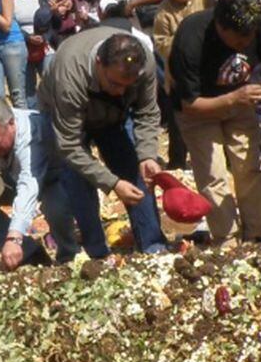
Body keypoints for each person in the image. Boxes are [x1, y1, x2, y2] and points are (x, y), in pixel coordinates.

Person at [167, 0, 261, 243]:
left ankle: (259, 231)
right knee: (213, 174)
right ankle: (226, 237)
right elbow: (190, 105)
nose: (245, 43)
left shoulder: (258, 24)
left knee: (248, 166)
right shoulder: (192, 36)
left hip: (240, 103)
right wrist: (232, 99)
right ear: (220, 26)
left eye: (249, 38)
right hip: (199, 109)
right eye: (239, 39)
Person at [40, 26, 166, 255]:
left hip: (113, 116)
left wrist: (147, 153)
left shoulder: (144, 63)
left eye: (128, 86)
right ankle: (96, 252)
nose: (120, 91)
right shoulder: (70, 76)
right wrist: (112, 183)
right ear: (99, 63)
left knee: (134, 171)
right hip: (68, 116)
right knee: (78, 179)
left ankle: (153, 246)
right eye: (115, 84)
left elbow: (147, 112)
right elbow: (69, 145)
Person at [0, 96, 80, 267]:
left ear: (11, 124)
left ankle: (68, 257)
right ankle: (31, 254)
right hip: (13, 178)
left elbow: (29, 184)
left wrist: (14, 237)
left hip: (53, 179)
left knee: (55, 207)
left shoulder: (32, 133)